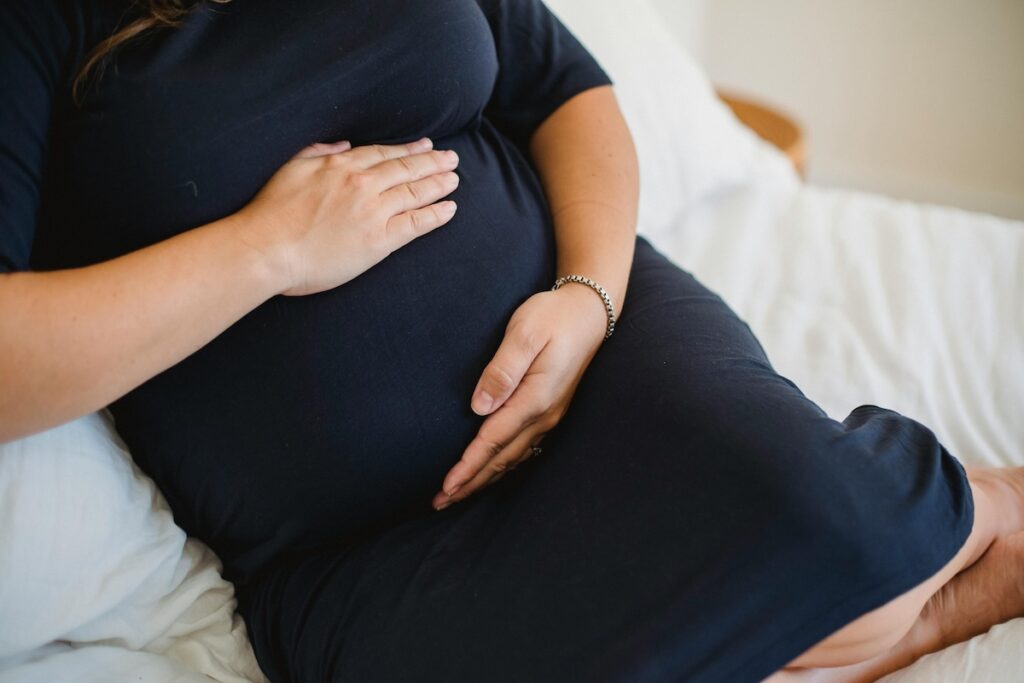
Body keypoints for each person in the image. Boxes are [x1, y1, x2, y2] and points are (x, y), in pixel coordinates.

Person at [0, 1, 1021, 681]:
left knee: (825, 510)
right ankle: (889, 616)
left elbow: (567, 87)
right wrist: (266, 249)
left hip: (603, 357)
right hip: (357, 541)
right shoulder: (37, 27)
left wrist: (588, 298)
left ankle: (973, 514)